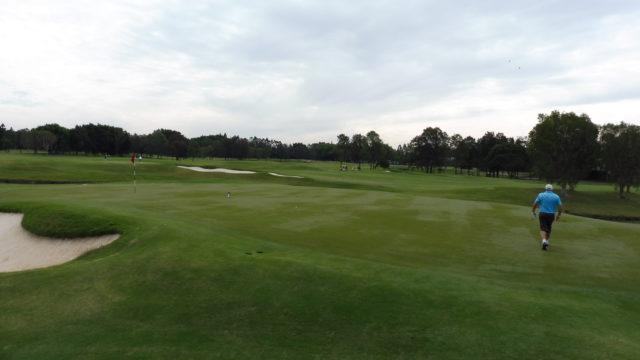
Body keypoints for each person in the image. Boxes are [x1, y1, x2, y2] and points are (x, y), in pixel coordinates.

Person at [532, 184, 564, 250]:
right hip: (551, 214)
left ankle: (544, 240)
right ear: (552, 189)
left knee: (543, 227)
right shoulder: (556, 196)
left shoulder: (541, 195)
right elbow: (560, 207)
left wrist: (533, 211)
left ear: (545, 188)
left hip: (542, 213)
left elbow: (535, 203)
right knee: (549, 228)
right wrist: (559, 215)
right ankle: (546, 241)